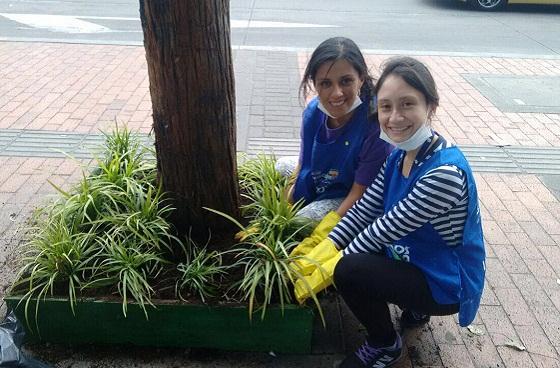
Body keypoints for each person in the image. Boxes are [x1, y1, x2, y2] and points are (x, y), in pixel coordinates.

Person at [291, 56, 486, 368]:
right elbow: (364, 209)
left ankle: (385, 344)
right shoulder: (398, 156)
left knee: (350, 271)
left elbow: (382, 229)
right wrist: (324, 243)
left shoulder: (443, 173)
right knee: (353, 250)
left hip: (447, 281)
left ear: (430, 106)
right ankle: (415, 307)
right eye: (385, 106)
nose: (395, 117)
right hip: (419, 259)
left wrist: (330, 266)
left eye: (407, 104)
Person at [278, 37, 392, 226]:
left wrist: (328, 230)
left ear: (361, 78)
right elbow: (303, 163)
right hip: (325, 176)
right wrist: (284, 206)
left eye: (346, 81)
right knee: (282, 166)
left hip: (354, 193)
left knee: (301, 220)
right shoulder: (313, 113)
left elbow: (360, 192)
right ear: (314, 84)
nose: (337, 93)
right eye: (325, 83)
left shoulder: (375, 125)